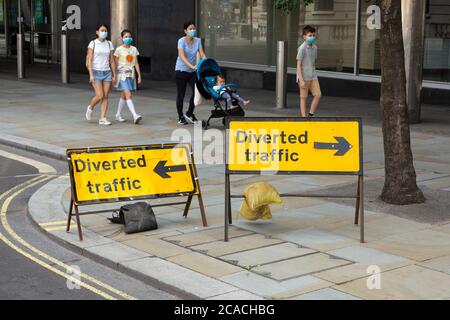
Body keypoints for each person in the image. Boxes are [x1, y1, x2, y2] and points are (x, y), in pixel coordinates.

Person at [175, 21, 206, 125]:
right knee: (181, 95)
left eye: (194, 29)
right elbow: (182, 56)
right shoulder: (181, 41)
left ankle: (189, 113)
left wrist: (206, 62)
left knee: (197, 92)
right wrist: (191, 66)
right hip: (181, 71)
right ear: (185, 31)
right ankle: (180, 116)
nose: (193, 30)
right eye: (190, 29)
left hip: (192, 72)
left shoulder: (198, 40)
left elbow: (202, 53)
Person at [86, 24, 116, 126]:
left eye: (106, 30)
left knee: (106, 96)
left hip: (107, 72)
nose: (104, 32)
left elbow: (112, 60)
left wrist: (114, 74)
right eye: (102, 30)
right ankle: (90, 107)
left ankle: (102, 118)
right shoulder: (93, 43)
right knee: (100, 95)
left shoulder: (109, 44)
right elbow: (89, 59)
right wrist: (91, 74)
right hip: (95, 71)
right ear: (97, 32)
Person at [114, 29, 143, 124]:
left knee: (124, 95)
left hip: (131, 75)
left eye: (129, 36)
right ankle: (135, 115)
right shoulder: (118, 49)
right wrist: (115, 75)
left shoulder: (134, 49)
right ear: (122, 38)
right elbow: (115, 63)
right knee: (128, 95)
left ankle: (118, 114)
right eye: (126, 37)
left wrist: (139, 75)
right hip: (122, 75)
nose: (128, 38)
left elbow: (136, 63)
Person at [297, 25, 321, 118]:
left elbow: (313, 62)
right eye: (310, 35)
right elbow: (298, 65)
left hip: (313, 76)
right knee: (303, 98)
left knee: (318, 95)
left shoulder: (315, 48)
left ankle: (310, 115)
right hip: (303, 76)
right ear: (304, 37)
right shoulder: (302, 49)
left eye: (313, 35)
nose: (312, 37)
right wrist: (301, 80)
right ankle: (303, 118)